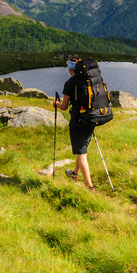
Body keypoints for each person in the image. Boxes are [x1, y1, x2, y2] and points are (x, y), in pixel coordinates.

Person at [53, 56, 95, 192]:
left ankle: (90, 187)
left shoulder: (70, 83)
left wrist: (57, 104)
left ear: (70, 69)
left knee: (82, 154)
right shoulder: (89, 80)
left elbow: (64, 106)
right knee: (82, 148)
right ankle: (74, 174)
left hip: (78, 121)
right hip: (90, 119)